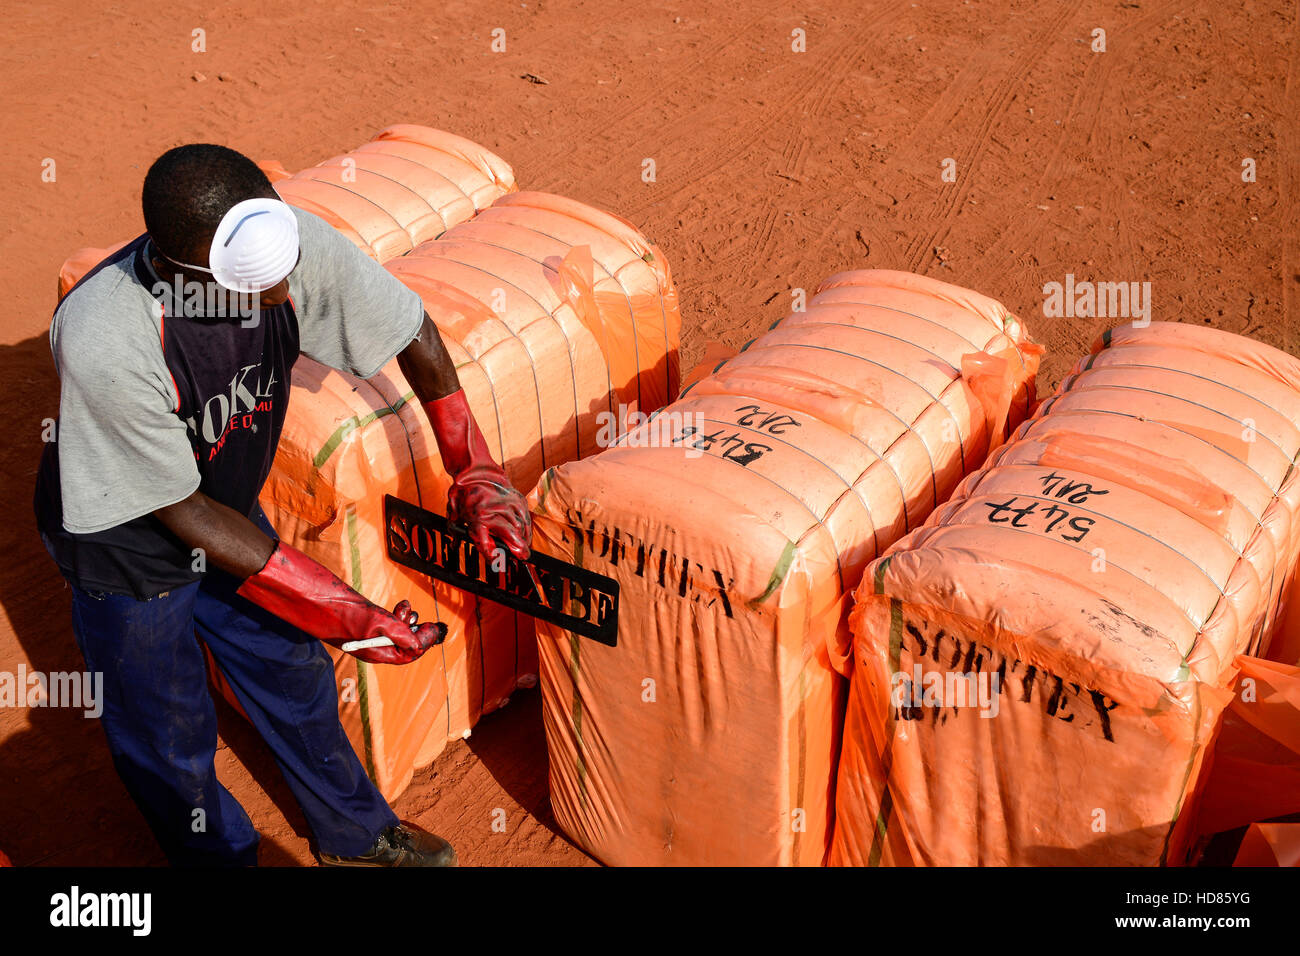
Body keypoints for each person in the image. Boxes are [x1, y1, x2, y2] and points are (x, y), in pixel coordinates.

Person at [32, 143, 532, 867]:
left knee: (292, 672)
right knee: (168, 734)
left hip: (225, 506)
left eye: (280, 276)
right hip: (130, 540)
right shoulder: (107, 334)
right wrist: (343, 609)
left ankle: (358, 838)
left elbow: (410, 332)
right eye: (249, 287)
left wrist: (476, 468)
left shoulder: (284, 246)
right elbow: (181, 514)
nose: (277, 297)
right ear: (181, 274)